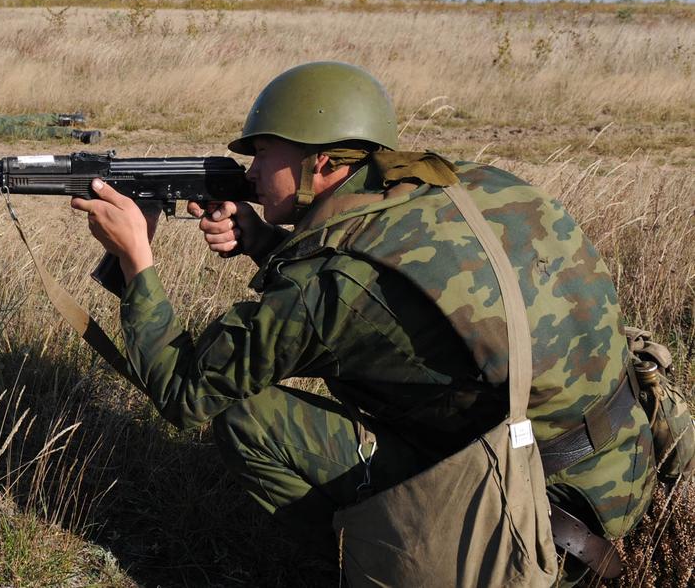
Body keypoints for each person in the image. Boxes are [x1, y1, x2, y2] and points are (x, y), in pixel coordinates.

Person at [69, 61, 655, 584]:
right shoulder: (465, 185)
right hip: (623, 468)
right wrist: (265, 244)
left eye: (263, 152)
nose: (249, 171)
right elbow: (391, 293)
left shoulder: (330, 286)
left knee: (242, 414)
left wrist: (136, 260)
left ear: (319, 163)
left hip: (528, 533)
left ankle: (388, 565)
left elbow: (183, 392)